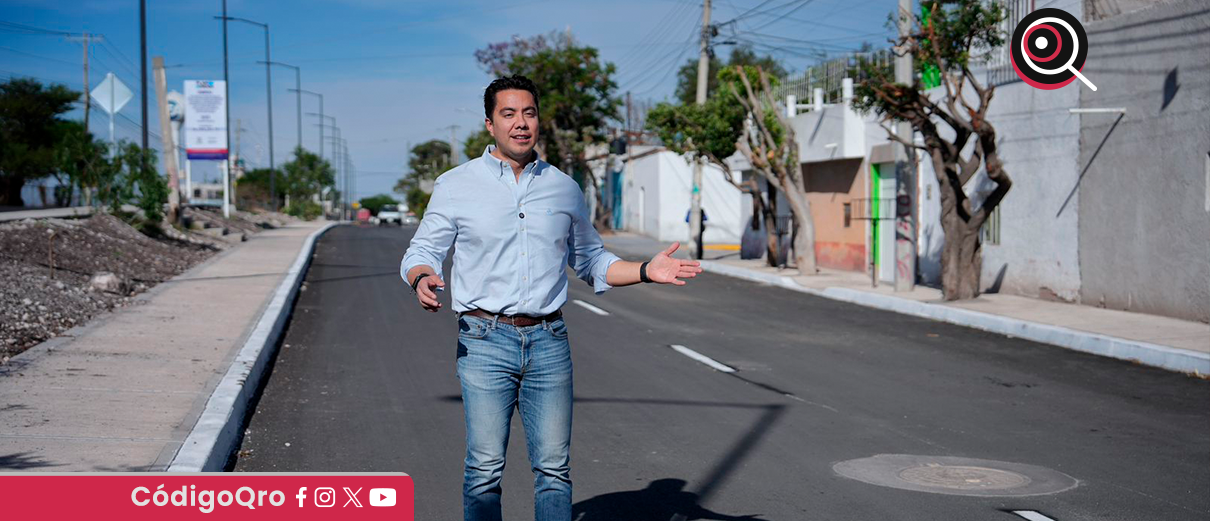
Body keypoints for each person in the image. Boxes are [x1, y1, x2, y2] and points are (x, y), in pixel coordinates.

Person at [401, 74, 703, 521]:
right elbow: (423, 250)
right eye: (508, 114)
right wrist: (422, 276)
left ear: (538, 120)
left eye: (529, 113)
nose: (520, 123)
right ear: (490, 124)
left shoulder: (564, 187)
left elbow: (592, 260)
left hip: (548, 342)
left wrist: (645, 270)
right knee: (484, 469)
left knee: (554, 470)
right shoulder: (455, 185)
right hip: (483, 342)